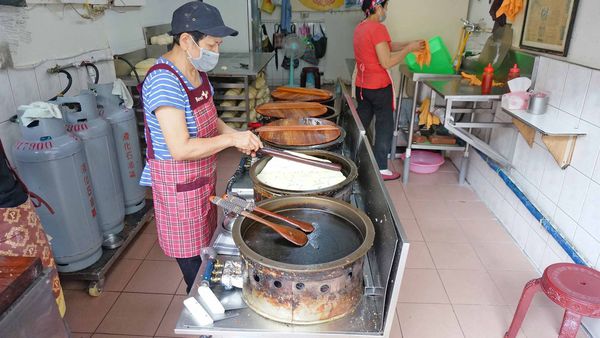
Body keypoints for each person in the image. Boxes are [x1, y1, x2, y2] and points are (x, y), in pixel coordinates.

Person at [140, 1, 263, 294]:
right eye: (212, 44)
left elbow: (211, 118)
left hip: (200, 181)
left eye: (218, 44)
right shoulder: (163, 81)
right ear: (186, 40)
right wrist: (233, 141)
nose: (215, 52)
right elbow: (180, 148)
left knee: (207, 250)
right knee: (196, 276)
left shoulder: (195, 71)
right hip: (179, 189)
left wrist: (236, 133)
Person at [353, 0, 425, 180]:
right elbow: (386, 61)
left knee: (361, 123)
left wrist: (409, 43)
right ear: (377, 7)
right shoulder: (378, 28)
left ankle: (351, 158)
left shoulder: (361, 27)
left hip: (363, 86)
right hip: (379, 87)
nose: (386, 11)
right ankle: (382, 168)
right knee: (384, 126)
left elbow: (386, 46)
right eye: (385, 7)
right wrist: (409, 49)